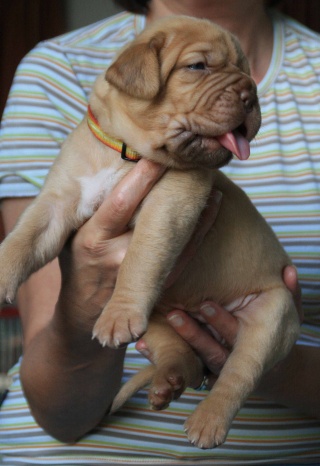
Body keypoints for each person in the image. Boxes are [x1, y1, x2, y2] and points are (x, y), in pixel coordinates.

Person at [0, 0, 319, 464]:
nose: (244, 92)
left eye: (243, 76)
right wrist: (92, 295)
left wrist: (267, 364)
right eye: (197, 68)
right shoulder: (59, 71)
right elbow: (58, 408)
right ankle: (174, 364)